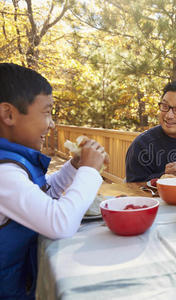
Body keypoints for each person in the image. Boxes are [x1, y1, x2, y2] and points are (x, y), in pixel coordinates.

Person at [0, 63, 108, 299]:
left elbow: (44, 194)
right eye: (47, 112)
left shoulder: (12, 162)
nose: (52, 124)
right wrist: (90, 170)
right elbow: (60, 224)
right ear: (9, 114)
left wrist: (75, 167)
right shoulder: (4, 174)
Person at [125, 81, 176, 182]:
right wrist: (165, 176)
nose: (168, 115)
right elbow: (133, 189)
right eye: (165, 106)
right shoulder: (142, 145)